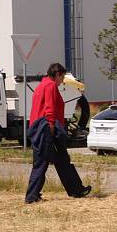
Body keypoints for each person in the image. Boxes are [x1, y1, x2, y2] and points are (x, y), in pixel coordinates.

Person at [25, 63, 92, 204]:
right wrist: (51, 128)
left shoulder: (41, 86)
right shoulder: (50, 86)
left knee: (61, 160)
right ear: (56, 74)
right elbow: (49, 109)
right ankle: (31, 196)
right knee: (42, 163)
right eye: (62, 76)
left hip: (40, 128)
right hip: (46, 129)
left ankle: (76, 190)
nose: (62, 80)